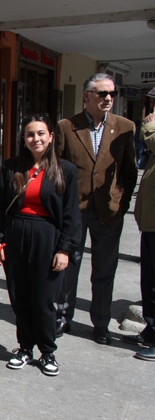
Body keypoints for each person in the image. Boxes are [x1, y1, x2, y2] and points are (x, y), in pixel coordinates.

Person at [0, 114, 81, 376]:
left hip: (47, 237)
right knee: (20, 296)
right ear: (23, 139)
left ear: (51, 136)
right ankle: (25, 348)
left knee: (43, 298)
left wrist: (65, 249)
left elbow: (72, 214)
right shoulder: (11, 167)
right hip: (16, 235)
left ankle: (47, 351)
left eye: (41, 133)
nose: (36, 139)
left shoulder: (66, 170)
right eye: (30, 134)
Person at [54, 73, 138, 345]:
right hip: (74, 211)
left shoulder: (125, 127)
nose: (108, 98)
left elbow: (129, 170)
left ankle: (100, 322)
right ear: (87, 96)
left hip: (108, 210)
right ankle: (63, 316)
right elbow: (56, 170)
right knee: (69, 266)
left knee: (105, 269)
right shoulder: (67, 127)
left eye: (111, 93)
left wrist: (121, 201)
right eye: (102, 94)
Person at [126, 112, 155, 360]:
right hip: (151, 224)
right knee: (150, 280)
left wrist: (150, 126)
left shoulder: (151, 128)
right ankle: (151, 330)